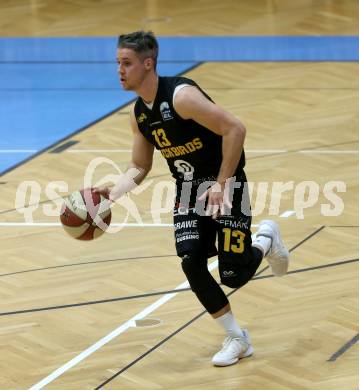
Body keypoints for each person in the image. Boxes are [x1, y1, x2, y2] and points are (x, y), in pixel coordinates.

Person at [106, 31, 290, 367]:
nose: (120, 70)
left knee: (233, 274)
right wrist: (113, 193)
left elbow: (236, 129)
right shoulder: (138, 113)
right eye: (118, 63)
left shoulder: (181, 97)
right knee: (191, 262)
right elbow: (140, 165)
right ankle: (237, 338)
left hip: (227, 182)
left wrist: (221, 183)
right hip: (188, 190)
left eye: (127, 63)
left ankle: (266, 239)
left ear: (148, 64)